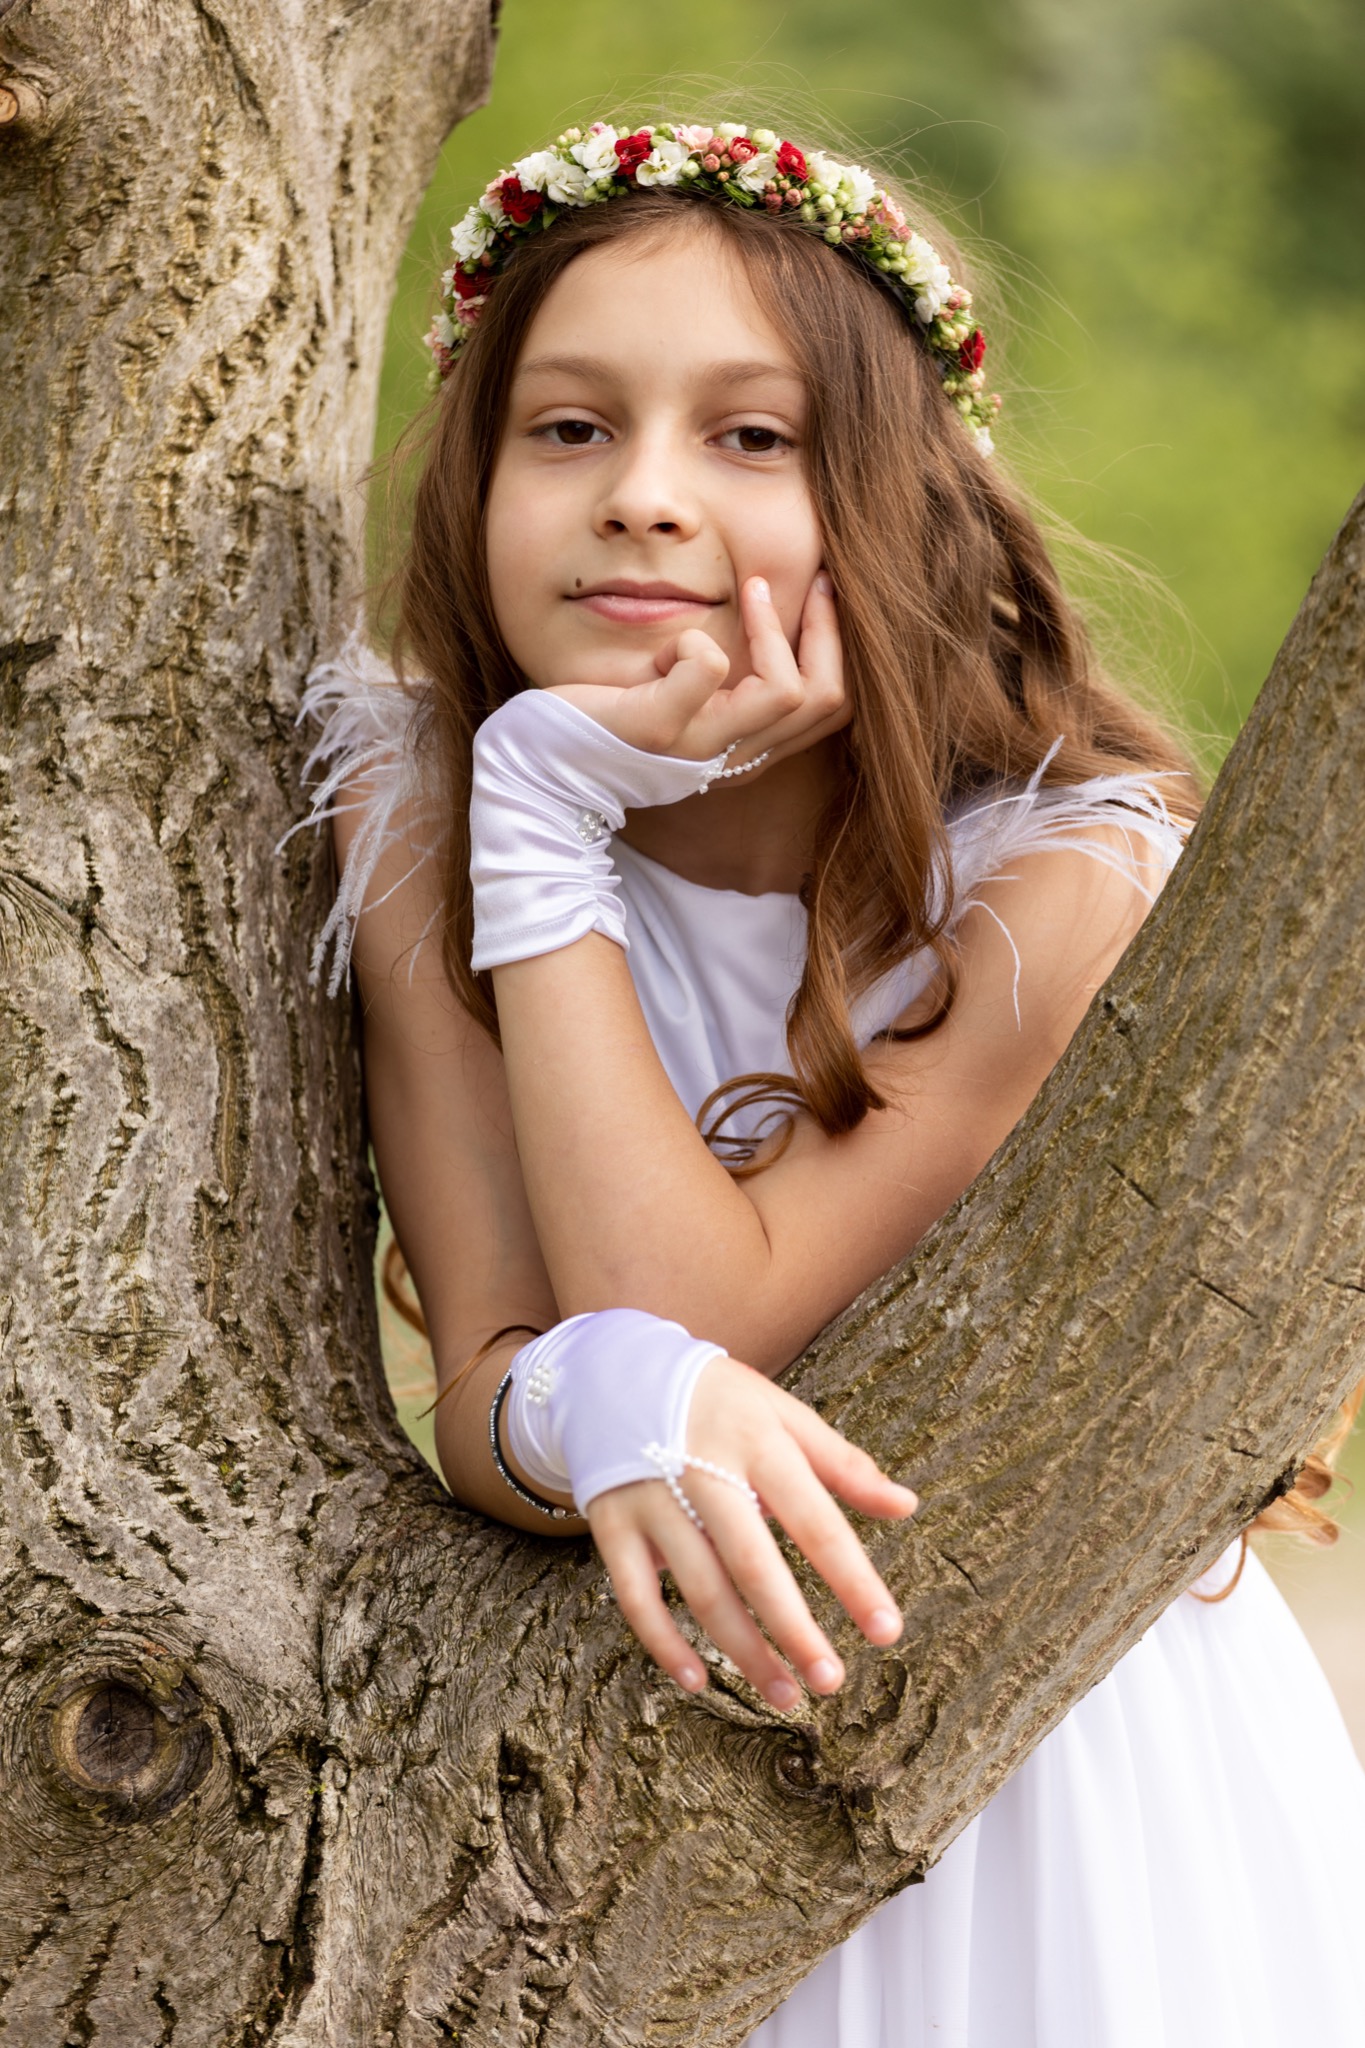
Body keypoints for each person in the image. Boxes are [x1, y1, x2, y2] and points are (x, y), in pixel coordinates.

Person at [295, 119, 1365, 2046]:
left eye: (749, 436)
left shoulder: (1055, 883)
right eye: (567, 428)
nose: (641, 499)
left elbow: (709, 1300)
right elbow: (491, 1371)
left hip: (1040, 1757)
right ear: (473, 482)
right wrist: (589, 1394)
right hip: (629, 1795)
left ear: (888, 500)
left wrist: (545, 817)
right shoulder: (410, 832)